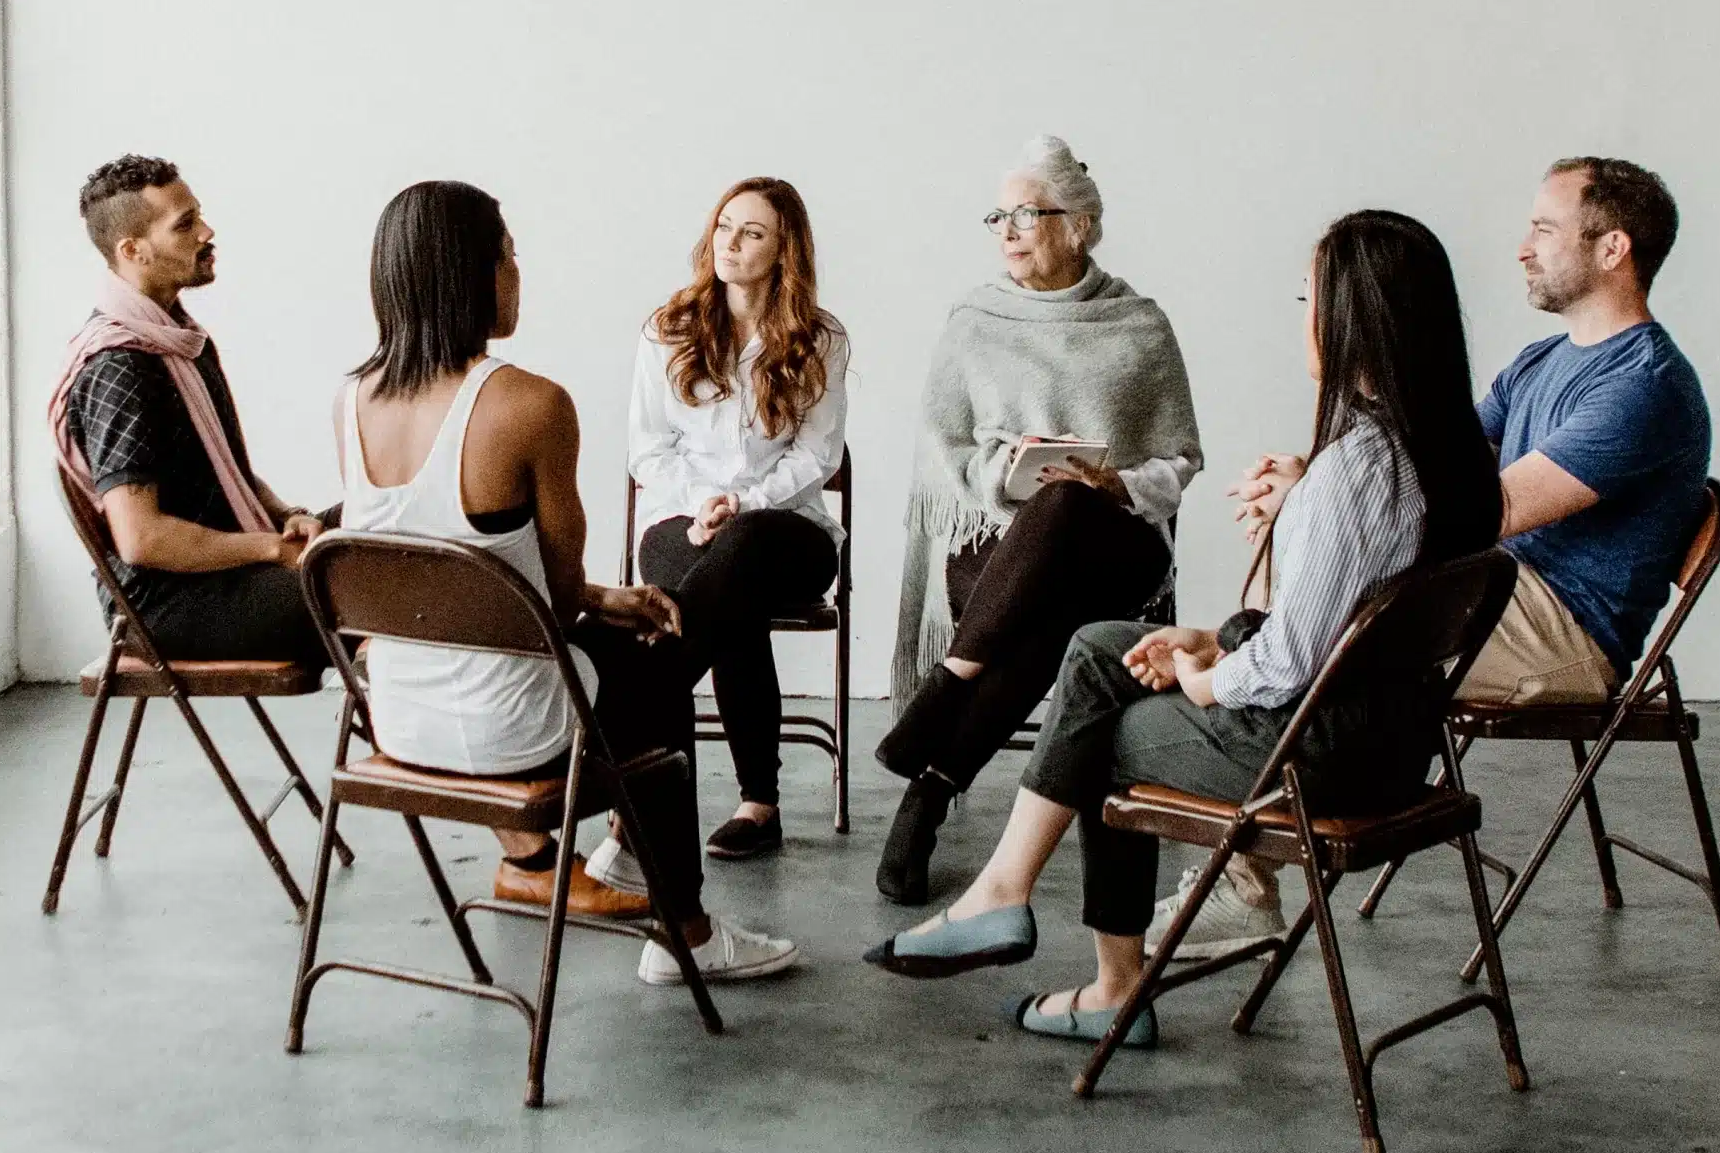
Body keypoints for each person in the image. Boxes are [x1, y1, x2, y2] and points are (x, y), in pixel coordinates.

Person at [863, 209, 1502, 1050]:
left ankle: (1096, 976)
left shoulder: (1353, 470)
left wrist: (1209, 677)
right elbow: (1337, 629)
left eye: (1311, 296)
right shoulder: (1444, 456)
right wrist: (1212, 638)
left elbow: (1291, 665)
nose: (1302, 315)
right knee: (1098, 646)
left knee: (1101, 730)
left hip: (1320, 757)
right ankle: (1005, 898)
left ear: (1357, 315)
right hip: (1388, 739)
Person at [1165, 157, 1712, 956]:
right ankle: (1259, 853)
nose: (1523, 248)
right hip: (1494, 589)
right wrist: (1315, 487)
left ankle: (1250, 871)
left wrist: (1318, 500)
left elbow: (1482, 511)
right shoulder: (1539, 361)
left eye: (1544, 230)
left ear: (1612, 249)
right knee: (1301, 608)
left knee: (1316, 632)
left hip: (1560, 633)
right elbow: (1428, 460)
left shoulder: (1644, 386)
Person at [335, 180, 798, 984]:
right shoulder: (531, 405)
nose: (519, 273)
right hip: (514, 729)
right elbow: (552, 593)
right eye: (509, 255)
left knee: (629, 637)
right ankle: (684, 929)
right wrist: (594, 600)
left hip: (397, 721)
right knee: (657, 660)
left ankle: (585, 862)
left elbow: (441, 562)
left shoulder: (351, 400)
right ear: (472, 274)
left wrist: (598, 598)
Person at [871, 137, 1203, 905]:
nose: (1009, 230)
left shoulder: (1139, 324)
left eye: (1028, 213)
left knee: (1067, 505)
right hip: (996, 538)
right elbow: (941, 450)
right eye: (1000, 216)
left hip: (1118, 543)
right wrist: (1002, 470)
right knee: (1057, 612)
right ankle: (932, 785)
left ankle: (943, 704)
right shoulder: (975, 320)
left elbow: (1181, 461)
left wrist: (1110, 483)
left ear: (1079, 225)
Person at [628, 177, 851, 859]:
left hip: (788, 531)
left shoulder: (822, 339)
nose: (730, 242)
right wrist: (704, 505)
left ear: (785, 250)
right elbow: (647, 451)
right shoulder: (669, 329)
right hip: (683, 524)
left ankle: (637, 735)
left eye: (751, 232)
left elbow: (818, 455)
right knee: (732, 597)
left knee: (743, 554)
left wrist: (741, 504)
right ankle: (759, 804)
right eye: (725, 225)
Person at [50, 155, 329, 672]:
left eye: (198, 215)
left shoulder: (177, 339)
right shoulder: (121, 366)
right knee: (380, 593)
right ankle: (417, 746)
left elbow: (229, 473)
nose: (207, 232)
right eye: (185, 225)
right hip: (169, 604)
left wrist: (287, 515)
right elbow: (141, 538)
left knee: (383, 533)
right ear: (133, 251)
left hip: (224, 576)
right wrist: (270, 549)